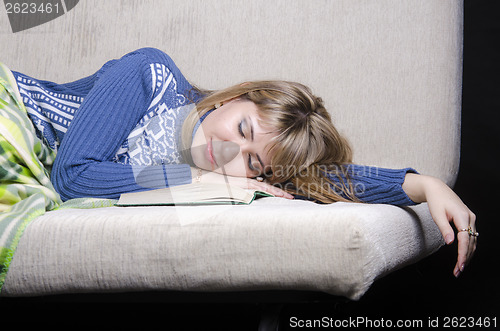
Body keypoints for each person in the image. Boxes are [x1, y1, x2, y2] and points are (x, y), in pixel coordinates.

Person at [9, 47, 476, 277]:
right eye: (243, 130)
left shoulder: (231, 175)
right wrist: (198, 182)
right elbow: (74, 177)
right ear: (232, 98)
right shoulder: (149, 75)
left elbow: (318, 179)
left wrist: (424, 185)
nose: (229, 154)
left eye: (254, 165)